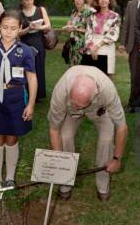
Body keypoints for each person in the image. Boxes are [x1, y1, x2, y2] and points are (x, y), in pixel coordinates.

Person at [48, 65, 128, 201]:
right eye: (74, 102)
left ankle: (103, 185)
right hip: (70, 113)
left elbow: (122, 127)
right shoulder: (60, 91)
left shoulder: (107, 90)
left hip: (99, 110)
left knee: (107, 140)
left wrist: (117, 159)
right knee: (65, 136)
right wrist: (59, 161)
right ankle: (65, 182)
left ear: (94, 95)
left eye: (80, 105)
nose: (76, 107)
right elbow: (54, 129)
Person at [0, 10, 38, 186]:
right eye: (5, 27)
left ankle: (10, 178)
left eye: (13, 28)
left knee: (12, 138)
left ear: (20, 28)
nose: (8, 31)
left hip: (16, 97)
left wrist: (31, 104)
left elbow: (32, 78)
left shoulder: (25, 51)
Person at [19, 0, 51, 100]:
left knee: (38, 67)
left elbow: (48, 25)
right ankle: (27, 92)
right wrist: (28, 28)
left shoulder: (40, 10)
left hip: (38, 42)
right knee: (27, 68)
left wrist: (38, 27)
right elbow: (18, 32)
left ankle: (39, 94)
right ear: (22, 0)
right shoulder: (20, 13)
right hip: (25, 44)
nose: (29, 2)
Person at [80, 0, 121, 75]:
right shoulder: (91, 16)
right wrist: (91, 48)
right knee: (90, 77)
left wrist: (97, 46)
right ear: (97, 1)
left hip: (106, 48)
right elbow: (88, 33)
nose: (103, 0)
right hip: (91, 49)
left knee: (107, 78)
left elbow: (113, 34)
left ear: (109, 0)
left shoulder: (115, 16)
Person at [63, 0, 94, 66]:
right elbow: (69, 24)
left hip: (83, 46)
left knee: (82, 70)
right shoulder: (74, 12)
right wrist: (67, 28)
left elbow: (91, 30)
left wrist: (76, 29)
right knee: (72, 69)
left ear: (84, 0)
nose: (78, 1)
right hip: (72, 45)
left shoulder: (88, 12)